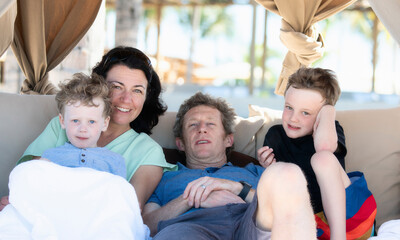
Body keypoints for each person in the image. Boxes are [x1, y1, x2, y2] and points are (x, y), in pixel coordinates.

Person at [0, 46, 176, 211]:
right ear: (99, 87)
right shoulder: (61, 125)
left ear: (147, 97)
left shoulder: (149, 151)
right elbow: (32, 177)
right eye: (116, 87)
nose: (126, 99)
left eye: (137, 90)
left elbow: (131, 207)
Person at [142, 92, 317, 239]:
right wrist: (192, 197)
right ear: (180, 143)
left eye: (210, 124)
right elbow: (145, 226)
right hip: (189, 229)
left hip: (250, 224)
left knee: (288, 172)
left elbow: (284, 206)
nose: (202, 129)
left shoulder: (255, 171)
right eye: (193, 125)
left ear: (228, 139)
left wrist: (236, 188)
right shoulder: (164, 177)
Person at [258, 67, 376, 240]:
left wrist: (328, 111)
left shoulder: (331, 129)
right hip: (310, 225)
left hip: (350, 219)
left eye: (305, 112)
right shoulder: (275, 135)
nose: (293, 118)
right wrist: (268, 167)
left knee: (323, 158)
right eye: (289, 107)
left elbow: (324, 147)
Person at [41, 72, 126, 178]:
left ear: (105, 123)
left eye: (91, 122)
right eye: (75, 121)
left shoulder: (115, 162)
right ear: (62, 121)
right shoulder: (49, 157)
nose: (83, 129)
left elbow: (120, 192)